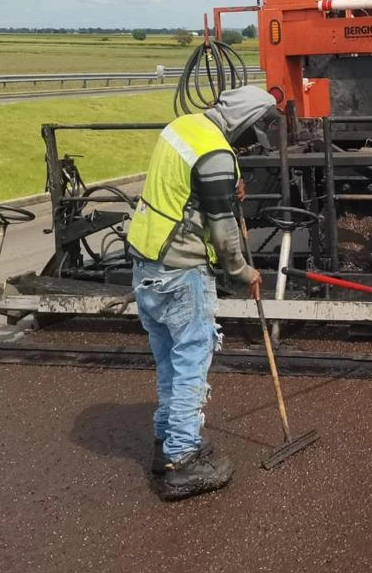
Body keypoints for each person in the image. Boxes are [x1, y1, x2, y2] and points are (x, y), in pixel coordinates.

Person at [125, 86, 276, 500]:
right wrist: (244, 272)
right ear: (245, 123)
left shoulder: (184, 127)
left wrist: (229, 184)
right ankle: (182, 462)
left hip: (145, 263)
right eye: (257, 131)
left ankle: (166, 443)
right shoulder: (216, 154)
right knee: (191, 362)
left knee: (169, 360)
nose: (255, 140)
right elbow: (225, 233)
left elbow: (188, 184)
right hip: (180, 270)